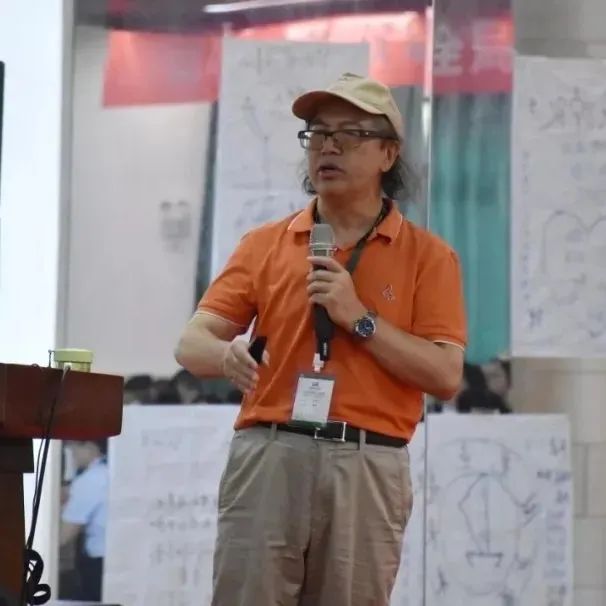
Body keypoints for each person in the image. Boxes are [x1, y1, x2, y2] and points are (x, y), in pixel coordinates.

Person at [175, 73, 467, 606]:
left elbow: (445, 375)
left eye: (349, 134)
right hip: (269, 455)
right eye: (317, 134)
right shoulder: (265, 243)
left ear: (388, 154)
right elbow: (191, 343)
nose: (328, 147)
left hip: (367, 461)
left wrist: (360, 319)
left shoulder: (429, 256)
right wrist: (225, 353)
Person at [60, 439, 109, 601]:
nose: (72, 455)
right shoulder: (107, 471)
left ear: (90, 447)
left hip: (98, 566)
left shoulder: (90, 480)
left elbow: (64, 535)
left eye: (73, 449)